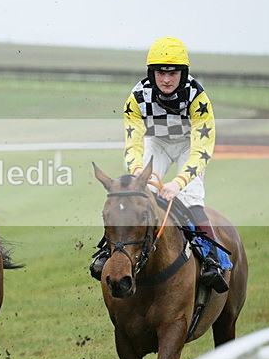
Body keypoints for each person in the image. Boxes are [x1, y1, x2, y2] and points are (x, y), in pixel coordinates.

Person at [89, 37, 229, 293]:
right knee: (135, 195)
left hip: (189, 145)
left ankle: (213, 260)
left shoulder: (198, 97)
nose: (166, 79)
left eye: (172, 73)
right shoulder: (136, 97)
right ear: (151, 73)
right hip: (157, 143)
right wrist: (137, 176)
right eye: (160, 73)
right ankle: (106, 252)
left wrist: (178, 183)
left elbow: (202, 147)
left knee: (192, 198)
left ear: (182, 73)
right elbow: (134, 143)